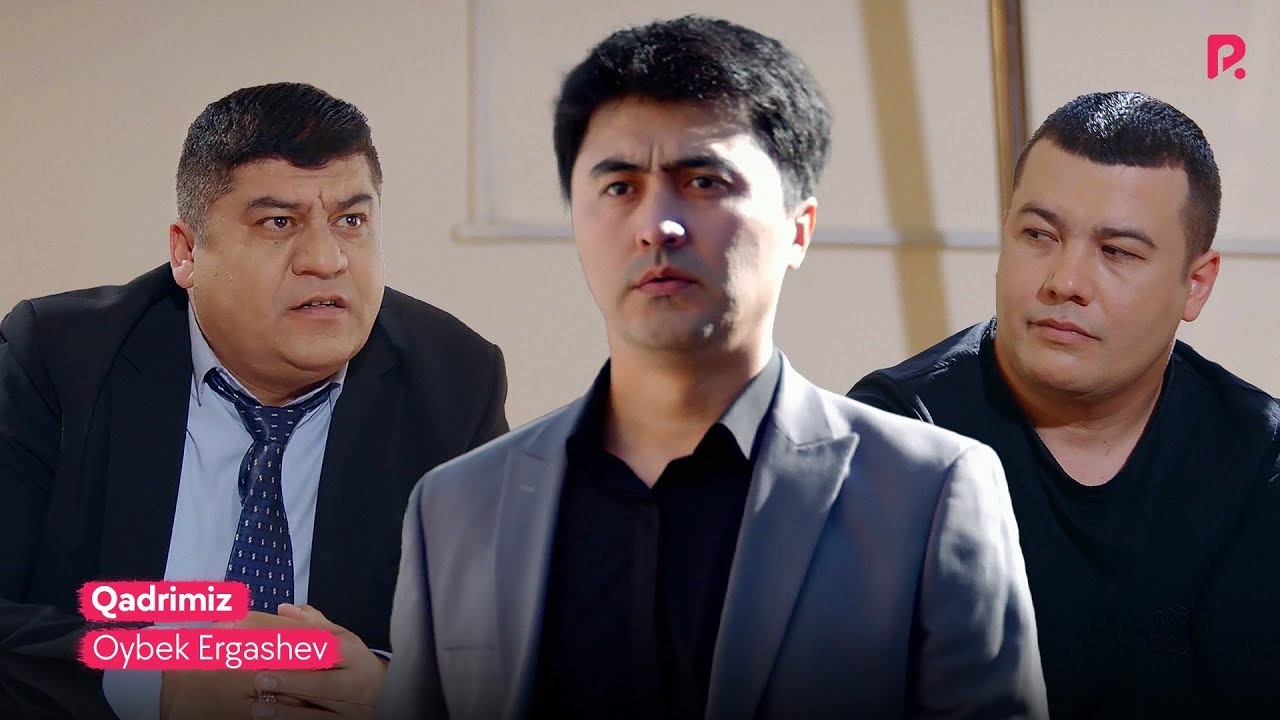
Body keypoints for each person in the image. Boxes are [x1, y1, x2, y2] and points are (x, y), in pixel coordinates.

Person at [381, 16, 1046, 720]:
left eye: (702, 181)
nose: (657, 225)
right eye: (619, 186)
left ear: (799, 228)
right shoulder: (457, 507)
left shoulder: (928, 493)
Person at [0, 82, 509, 719]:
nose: (326, 259)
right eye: (278, 223)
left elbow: (503, 654)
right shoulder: (61, 360)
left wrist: (390, 692)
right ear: (187, 253)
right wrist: (156, 687)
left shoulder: (453, 381)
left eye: (351, 221)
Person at [849, 91, 1280, 718]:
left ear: (1196, 284)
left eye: (1117, 251)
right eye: (1039, 235)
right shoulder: (899, 437)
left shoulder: (1258, 458)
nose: (1065, 282)